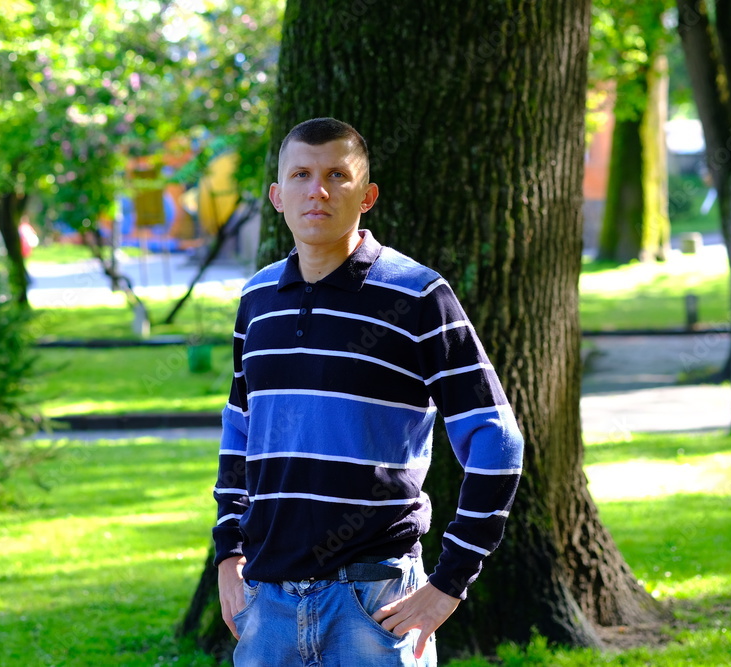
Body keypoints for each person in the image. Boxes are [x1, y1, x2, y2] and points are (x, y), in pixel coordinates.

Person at [213, 117, 524, 666]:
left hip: (377, 602)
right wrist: (228, 554)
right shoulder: (257, 300)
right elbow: (239, 430)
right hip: (267, 601)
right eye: (301, 175)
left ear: (368, 195)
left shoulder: (418, 296)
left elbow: (497, 440)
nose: (318, 190)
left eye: (337, 174)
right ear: (277, 196)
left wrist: (449, 583)